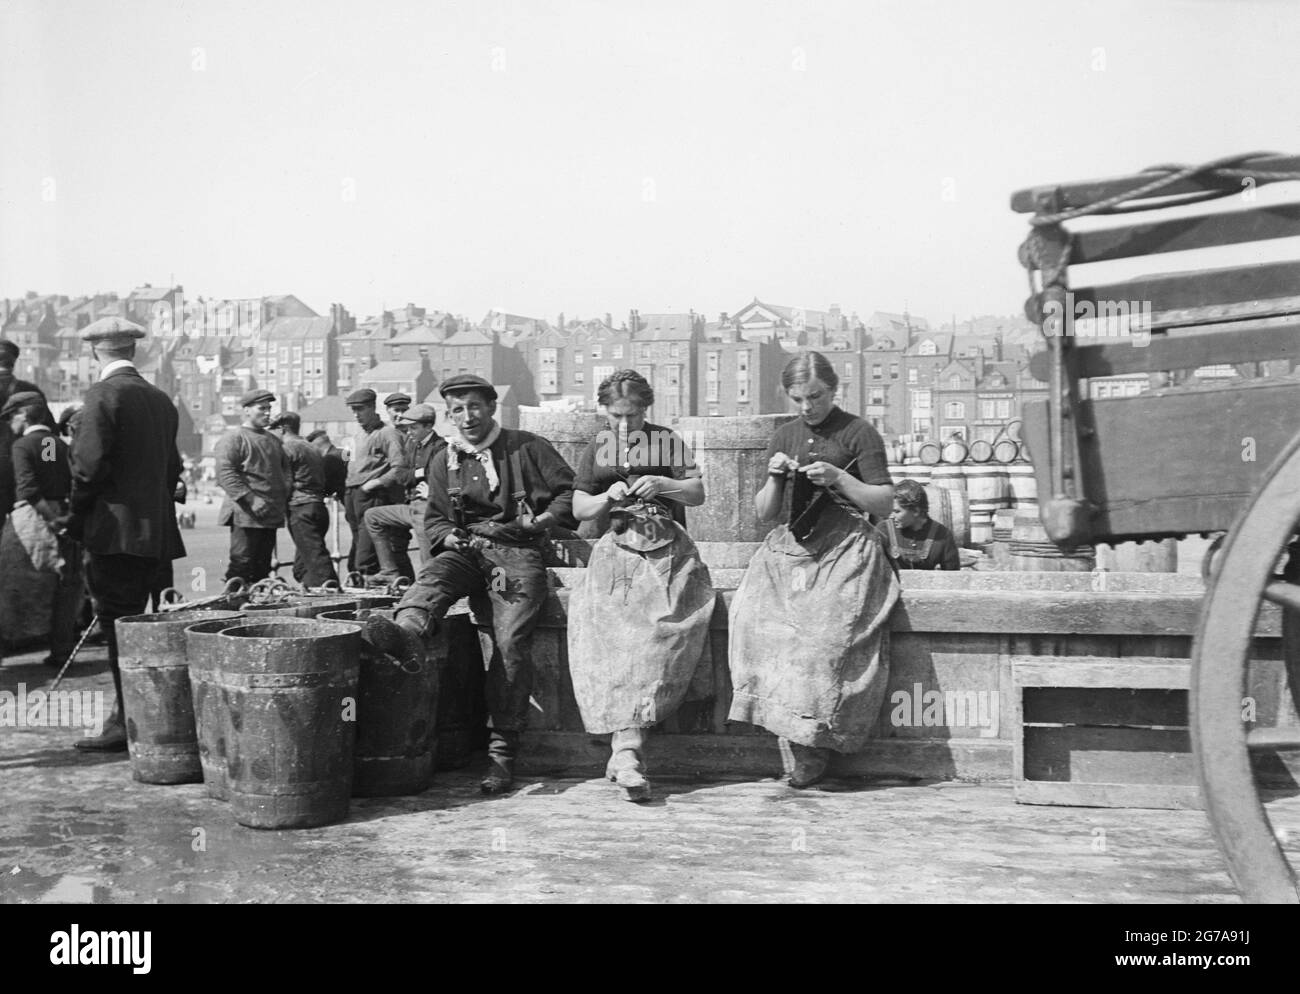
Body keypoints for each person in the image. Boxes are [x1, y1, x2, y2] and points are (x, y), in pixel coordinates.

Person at [363, 374, 576, 794]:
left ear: (491, 407)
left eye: (474, 407)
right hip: (469, 550)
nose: (467, 417)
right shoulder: (447, 458)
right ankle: (406, 634)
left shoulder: (527, 446)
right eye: (457, 410)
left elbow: (572, 494)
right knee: (431, 580)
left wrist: (543, 520)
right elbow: (436, 517)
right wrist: (448, 536)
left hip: (517, 553)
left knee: (510, 641)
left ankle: (501, 754)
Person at [728, 351, 901, 788]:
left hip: (847, 547)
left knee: (822, 636)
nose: (808, 407)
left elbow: (883, 503)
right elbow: (766, 513)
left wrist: (839, 478)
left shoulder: (859, 431)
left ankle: (815, 745)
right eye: (799, 398)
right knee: (752, 623)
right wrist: (773, 478)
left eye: (816, 396)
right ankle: (794, 739)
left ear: (833, 389)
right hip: (791, 548)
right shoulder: (784, 434)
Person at [568, 370, 712, 802]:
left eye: (633, 415)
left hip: (667, 553)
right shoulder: (598, 445)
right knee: (604, 630)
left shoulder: (666, 439)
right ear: (604, 411)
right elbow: (580, 509)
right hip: (616, 553)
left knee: (652, 631)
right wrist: (607, 498)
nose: (625, 425)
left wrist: (666, 484)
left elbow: (698, 492)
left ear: (646, 410)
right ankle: (626, 751)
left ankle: (626, 752)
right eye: (616, 415)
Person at [65, 319, 187, 751]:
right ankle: (155, 717)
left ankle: (127, 722)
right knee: (149, 631)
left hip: (116, 535)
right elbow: (173, 469)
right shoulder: (160, 399)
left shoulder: (104, 395)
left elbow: (87, 467)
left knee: (120, 627)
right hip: (156, 535)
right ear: (132, 351)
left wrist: (75, 517)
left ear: (94, 352)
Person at [0, 392, 83, 667]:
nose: (10, 422)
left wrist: (50, 520)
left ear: (23, 415)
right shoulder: (56, 443)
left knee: (11, 586)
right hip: (66, 517)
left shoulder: (23, 445)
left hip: (35, 520)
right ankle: (61, 651)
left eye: (12, 416)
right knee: (65, 586)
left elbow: (29, 488)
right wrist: (64, 519)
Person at [363, 403, 445, 586]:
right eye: (408, 428)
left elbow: (442, 479)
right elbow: (401, 476)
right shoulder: (412, 446)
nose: (409, 432)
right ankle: (389, 572)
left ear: (429, 426)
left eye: (414, 427)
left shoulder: (441, 448)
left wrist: (430, 489)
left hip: (428, 508)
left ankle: (432, 587)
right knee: (372, 516)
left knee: (429, 565)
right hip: (412, 505)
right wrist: (420, 473)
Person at [214, 389, 289, 584]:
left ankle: (254, 610)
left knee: (262, 568)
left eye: (269, 408)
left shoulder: (273, 440)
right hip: (245, 514)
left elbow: (285, 473)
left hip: (269, 515)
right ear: (246, 410)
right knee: (241, 564)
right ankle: (231, 607)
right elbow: (225, 474)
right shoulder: (234, 438)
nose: (267, 413)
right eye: (261, 408)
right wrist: (252, 499)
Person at [343, 389, 409, 577]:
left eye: (360, 409)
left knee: (366, 554)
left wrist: (374, 484)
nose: (356, 414)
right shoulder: (355, 436)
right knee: (357, 546)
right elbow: (346, 461)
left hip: (373, 495)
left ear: (372, 407)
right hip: (352, 495)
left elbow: (399, 468)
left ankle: (375, 590)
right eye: (353, 410)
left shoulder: (388, 433)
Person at [271, 411, 337, 588]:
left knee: (316, 560)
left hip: (300, 509)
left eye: (274, 429)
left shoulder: (287, 449)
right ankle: (313, 589)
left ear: (283, 428)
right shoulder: (311, 447)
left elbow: (285, 482)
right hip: (318, 507)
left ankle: (332, 593)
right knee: (303, 565)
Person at [0, 338, 46, 524]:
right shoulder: (32, 391)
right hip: (26, 475)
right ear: (14, 362)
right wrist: (48, 464)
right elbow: (48, 436)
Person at [883, 479, 961, 571]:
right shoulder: (884, 530)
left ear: (916, 511)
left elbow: (952, 577)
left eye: (897, 511)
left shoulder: (942, 535)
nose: (891, 516)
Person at [307, 429, 348, 502]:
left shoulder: (329, 459)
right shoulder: (344, 452)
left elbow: (326, 488)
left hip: (347, 498)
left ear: (316, 446)